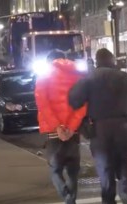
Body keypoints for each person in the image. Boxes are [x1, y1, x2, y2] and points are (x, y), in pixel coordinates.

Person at [68, 48, 127, 204]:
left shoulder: (90, 79)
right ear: (113, 60)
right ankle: (126, 196)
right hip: (124, 127)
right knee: (124, 163)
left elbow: (74, 100)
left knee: (105, 166)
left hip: (100, 129)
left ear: (96, 61)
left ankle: (108, 199)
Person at [34, 50, 87, 204]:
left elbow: (43, 104)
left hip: (53, 134)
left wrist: (57, 127)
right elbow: (83, 105)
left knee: (55, 170)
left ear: (49, 61)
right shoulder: (78, 74)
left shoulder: (44, 76)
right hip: (73, 133)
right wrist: (71, 127)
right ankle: (71, 200)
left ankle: (66, 197)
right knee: (73, 172)